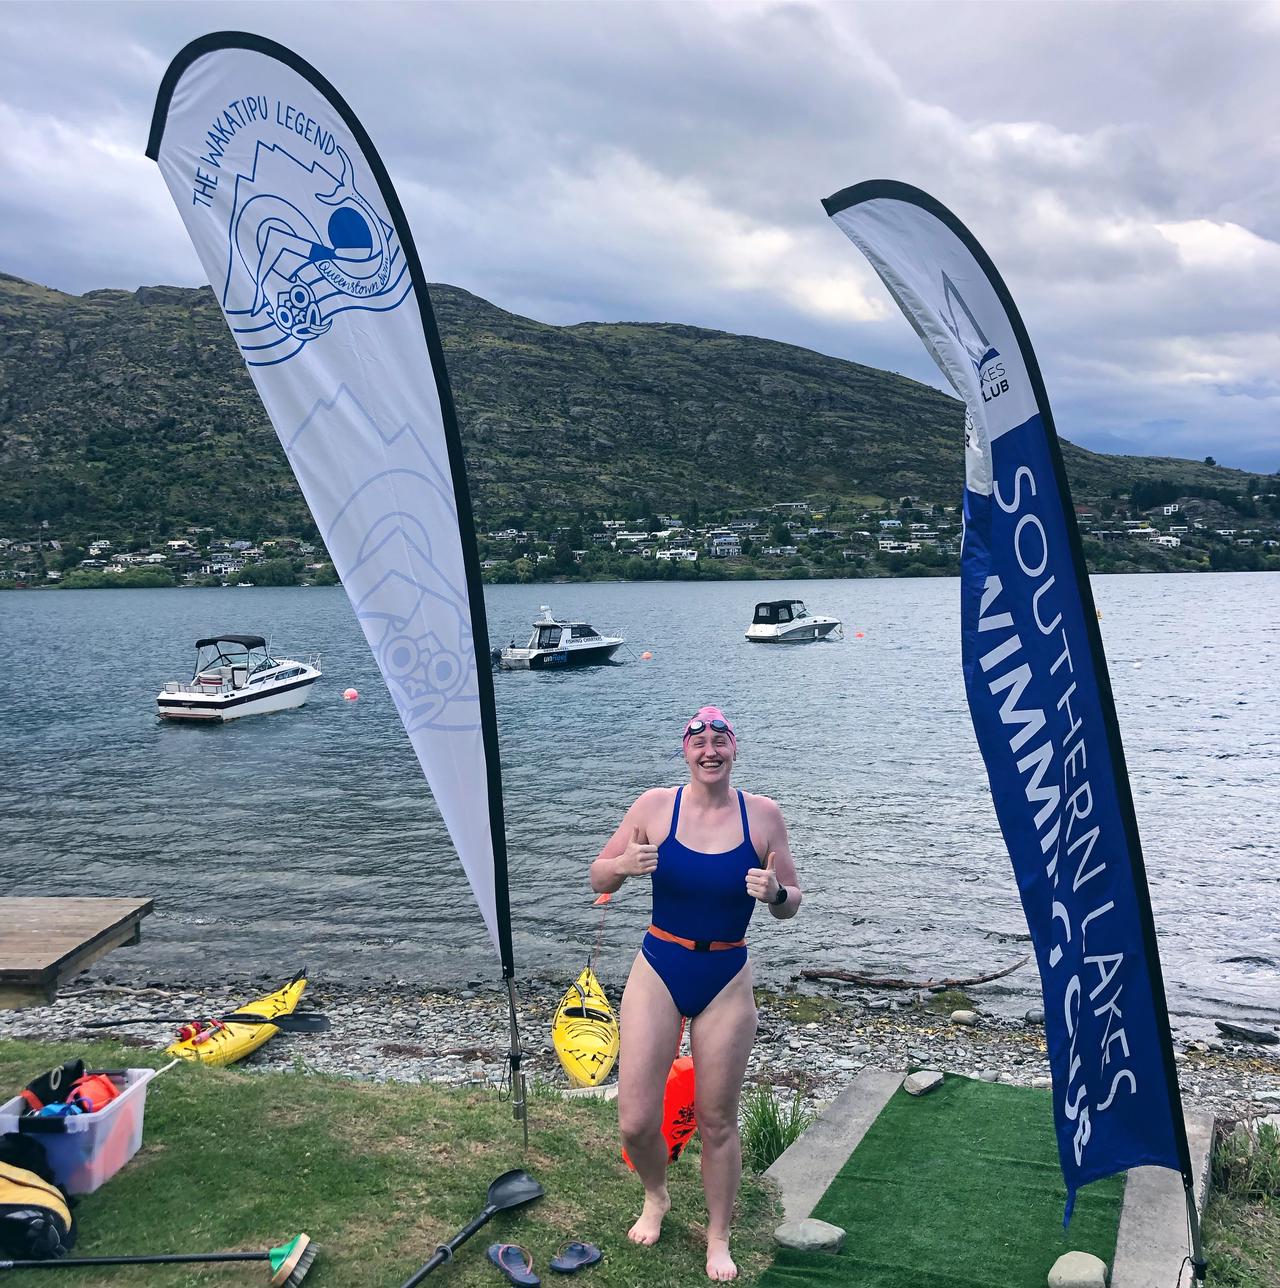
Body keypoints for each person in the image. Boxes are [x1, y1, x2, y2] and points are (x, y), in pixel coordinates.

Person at [590, 706, 801, 1282]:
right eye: (699, 741)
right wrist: (624, 865)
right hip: (660, 964)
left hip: (726, 975)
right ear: (685, 751)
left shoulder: (763, 816)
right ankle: (655, 1194)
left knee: (717, 1120)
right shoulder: (655, 807)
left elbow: (791, 902)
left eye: (720, 740)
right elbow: (598, 876)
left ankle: (718, 1235)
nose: (710, 750)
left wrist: (775, 894)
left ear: (734, 749)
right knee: (636, 1120)